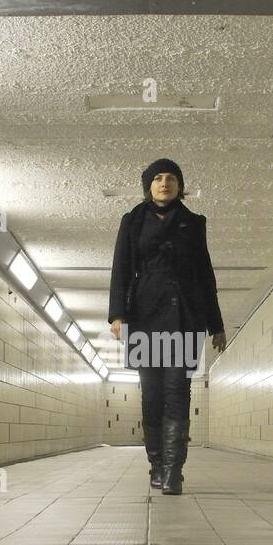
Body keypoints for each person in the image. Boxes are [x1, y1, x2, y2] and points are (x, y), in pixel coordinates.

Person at [108, 159, 226, 495]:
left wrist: (215, 322)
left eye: (171, 178)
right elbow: (121, 268)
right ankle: (157, 464)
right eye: (158, 178)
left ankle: (175, 471)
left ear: (179, 185)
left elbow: (205, 275)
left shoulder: (194, 222)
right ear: (149, 186)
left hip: (185, 317)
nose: (164, 183)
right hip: (145, 316)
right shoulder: (132, 222)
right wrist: (118, 314)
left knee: (178, 390)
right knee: (152, 394)